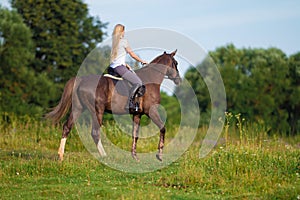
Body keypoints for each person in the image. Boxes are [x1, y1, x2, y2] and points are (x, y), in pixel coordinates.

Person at [109, 24, 147, 111]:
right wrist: (142, 61)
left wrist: (125, 64)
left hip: (113, 67)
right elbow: (132, 54)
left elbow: (117, 57)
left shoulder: (114, 42)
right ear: (121, 32)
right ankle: (130, 103)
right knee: (138, 82)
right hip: (119, 68)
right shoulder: (124, 41)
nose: (124, 32)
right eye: (124, 31)